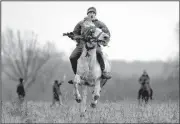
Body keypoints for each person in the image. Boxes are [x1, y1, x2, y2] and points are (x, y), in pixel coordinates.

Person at [68, 7, 111, 84]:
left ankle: (103, 72)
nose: (91, 14)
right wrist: (75, 37)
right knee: (72, 57)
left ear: (95, 14)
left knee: (99, 52)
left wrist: (103, 41)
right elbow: (75, 33)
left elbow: (107, 34)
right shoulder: (81, 23)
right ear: (87, 14)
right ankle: (76, 75)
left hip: (95, 45)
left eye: (93, 13)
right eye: (90, 12)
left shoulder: (100, 24)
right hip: (82, 45)